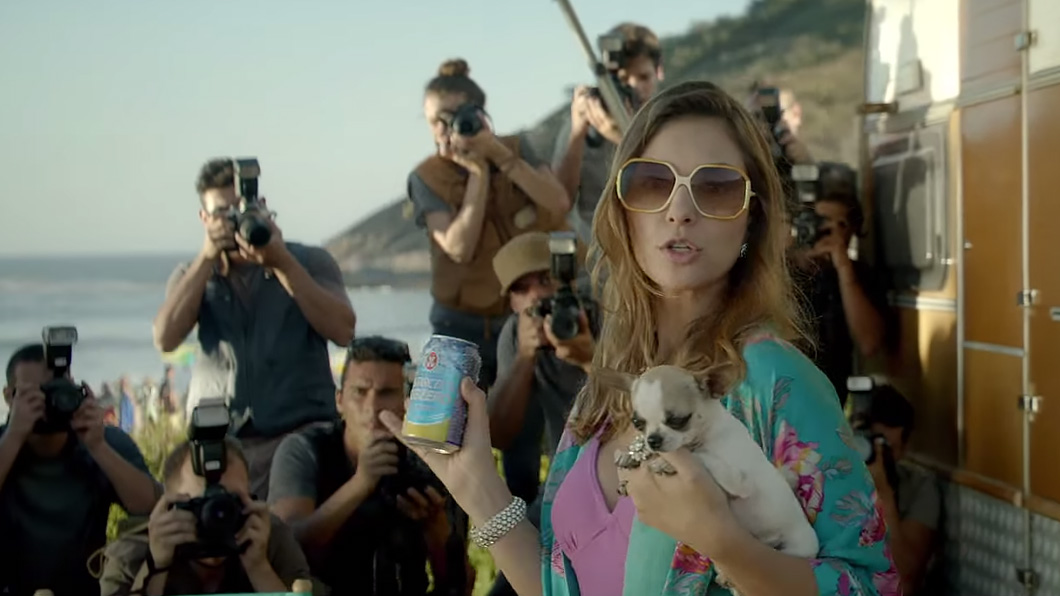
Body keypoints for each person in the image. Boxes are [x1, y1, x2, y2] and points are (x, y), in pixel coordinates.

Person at [383, 80, 900, 595]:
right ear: (623, 211)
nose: (680, 210)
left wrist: (724, 542)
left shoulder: (775, 382)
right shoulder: (609, 390)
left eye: (716, 186)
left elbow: (873, 584)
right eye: (652, 182)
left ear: (752, 219)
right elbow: (558, 586)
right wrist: (474, 482)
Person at [152, 157, 356, 500]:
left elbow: (343, 330)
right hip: (222, 440)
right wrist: (207, 258)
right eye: (222, 213)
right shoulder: (193, 274)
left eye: (240, 210)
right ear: (204, 219)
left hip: (298, 434)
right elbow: (165, 338)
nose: (233, 221)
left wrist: (281, 263)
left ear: (261, 207)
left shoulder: (308, 261)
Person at [408, 59, 571, 390]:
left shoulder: (517, 149)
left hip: (529, 314)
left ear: (479, 114)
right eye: (434, 122)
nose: (443, 130)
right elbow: (458, 247)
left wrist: (499, 157)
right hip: (461, 324)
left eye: (452, 118)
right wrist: (478, 174)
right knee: (455, 419)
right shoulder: (427, 177)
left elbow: (558, 202)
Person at [269, 336, 469, 596]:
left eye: (386, 393)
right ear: (339, 400)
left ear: (409, 402)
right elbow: (285, 554)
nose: (372, 407)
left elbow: (460, 586)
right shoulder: (306, 450)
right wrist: (360, 484)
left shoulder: (427, 460)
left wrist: (436, 528)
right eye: (360, 392)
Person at [486, 232, 596, 596]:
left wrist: (590, 356)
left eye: (546, 280)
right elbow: (500, 434)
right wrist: (524, 358)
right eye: (522, 289)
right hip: (565, 486)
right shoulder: (516, 333)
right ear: (512, 302)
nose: (537, 297)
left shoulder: (604, 315)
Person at [0, 344, 159, 596]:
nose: (48, 403)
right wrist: (15, 436)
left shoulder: (104, 442)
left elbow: (151, 506)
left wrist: (98, 447)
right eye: (36, 395)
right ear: (10, 396)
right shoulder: (4, 444)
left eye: (56, 391)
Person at [99, 437, 314, 595]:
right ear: (170, 505)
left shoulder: (270, 537)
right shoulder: (132, 554)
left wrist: (259, 567)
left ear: (250, 497)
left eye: (230, 502)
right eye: (202, 504)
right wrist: (157, 567)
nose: (217, 515)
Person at [552, 22, 665, 245]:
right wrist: (577, 134)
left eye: (643, 77)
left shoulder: (673, 121)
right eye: (623, 80)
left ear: (659, 71)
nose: (634, 88)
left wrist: (621, 136)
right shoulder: (589, 122)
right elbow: (560, 201)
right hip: (601, 249)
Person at [790, 164, 888, 404]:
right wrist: (797, 257)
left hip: (829, 399)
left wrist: (844, 269)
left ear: (853, 231)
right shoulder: (784, 269)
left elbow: (869, 344)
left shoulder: (859, 275)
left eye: (840, 224)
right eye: (821, 221)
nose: (828, 230)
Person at [853, 384, 940, 595]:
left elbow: (906, 578)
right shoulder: (837, 477)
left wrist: (883, 495)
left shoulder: (920, 486)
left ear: (905, 447)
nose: (882, 456)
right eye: (874, 445)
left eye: (888, 448)